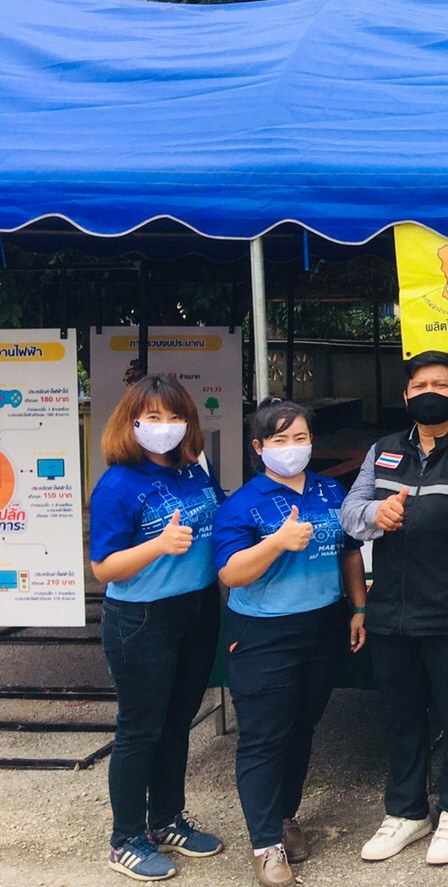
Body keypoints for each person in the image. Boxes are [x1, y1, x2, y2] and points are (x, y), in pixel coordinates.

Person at [339, 351, 448, 866]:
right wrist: (376, 512)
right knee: (400, 717)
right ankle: (406, 812)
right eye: (419, 386)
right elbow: (350, 514)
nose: (428, 393)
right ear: (405, 395)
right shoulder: (383, 451)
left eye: (440, 385)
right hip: (390, 612)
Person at [214, 401, 368, 886]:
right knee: (265, 737)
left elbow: (350, 552)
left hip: (322, 625)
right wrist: (276, 542)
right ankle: (265, 845)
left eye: (300, 438)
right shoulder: (242, 504)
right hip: (264, 635)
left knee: (302, 727)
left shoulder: (329, 489)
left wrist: (358, 608)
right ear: (259, 447)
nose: (292, 448)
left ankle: (284, 818)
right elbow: (230, 573)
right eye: (279, 440)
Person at [89, 375, 226, 882]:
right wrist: (157, 546)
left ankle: (166, 820)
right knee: (140, 727)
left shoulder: (194, 470)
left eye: (175, 417)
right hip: (141, 618)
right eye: (153, 417)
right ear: (131, 423)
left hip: (197, 609)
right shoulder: (118, 485)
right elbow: (104, 568)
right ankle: (125, 839)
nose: (165, 427)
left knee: (177, 720)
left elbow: (221, 521)